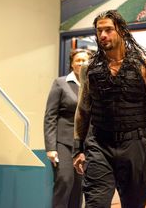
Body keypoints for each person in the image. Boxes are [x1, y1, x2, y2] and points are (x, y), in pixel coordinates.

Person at [73, 10, 146, 208]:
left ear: (121, 31)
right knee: (96, 203)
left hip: (134, 145)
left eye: (109, 30)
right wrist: (78, 148)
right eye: (99, 31)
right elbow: (83, 110)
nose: (103, 35)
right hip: (99, 144)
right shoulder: (89, 67)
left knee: (134, 203)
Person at [44, 48, 91, 208]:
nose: (82, 63)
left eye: (85, 60)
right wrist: (50, 147)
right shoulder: (61, 83)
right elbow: (50, 116)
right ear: (72, 63)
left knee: (79, 187)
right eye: (78, 60)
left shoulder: (92, 86)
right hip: (63, 143)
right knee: (64, 181)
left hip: (84, 145)